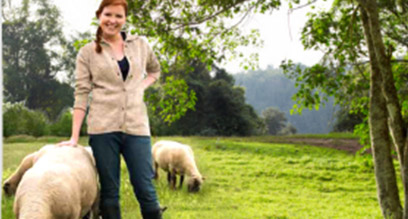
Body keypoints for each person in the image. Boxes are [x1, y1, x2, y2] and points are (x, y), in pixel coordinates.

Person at [58, 0, 165, 218]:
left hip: (137, 128)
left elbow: (155, 70)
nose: (113, 21)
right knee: (109, 192)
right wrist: (74, 137)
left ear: (125, 19)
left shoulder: (140, 44)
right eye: (108, 15)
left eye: (118, 16)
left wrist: (140, 87)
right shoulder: (87, 52)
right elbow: (81, 94)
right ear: (99, 15)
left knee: (145, 187)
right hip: (102, 129)